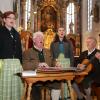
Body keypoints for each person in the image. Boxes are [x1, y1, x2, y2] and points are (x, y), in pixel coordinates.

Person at [22, 31, 52, 100]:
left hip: (49, 77)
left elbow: (52, 61)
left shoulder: (48, 51)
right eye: (39, 38)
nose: (41, 39)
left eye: (42, 38)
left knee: (57, 83)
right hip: (35, 78)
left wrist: (56, 64)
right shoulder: (27, 52)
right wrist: (38, 64)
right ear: (34, 40)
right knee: (35, 87)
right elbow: (25, 65)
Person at [0, 11, 23, 100]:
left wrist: (21, 64)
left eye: (13, 18)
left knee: (15, 87)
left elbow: (19, 51)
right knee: (5, 87)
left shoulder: (16, 34)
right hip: (4, 63)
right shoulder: (1, 31)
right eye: (10, 18)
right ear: (4, 20)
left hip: (16, 64)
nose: (12, 20)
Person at [50, 27, 74, 100]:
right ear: (57, 32)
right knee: (57, 80)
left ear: (65, 32)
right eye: (60, 30)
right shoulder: (53, 43)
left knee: (66, 82)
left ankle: (66, 96)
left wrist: (71, 66)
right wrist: (53, 64)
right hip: (57, 64)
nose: (61, 32)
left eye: (63, 30)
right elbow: (51, 55)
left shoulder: (69, 42)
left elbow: (71, 55)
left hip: (67, 64)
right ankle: (58, 96)